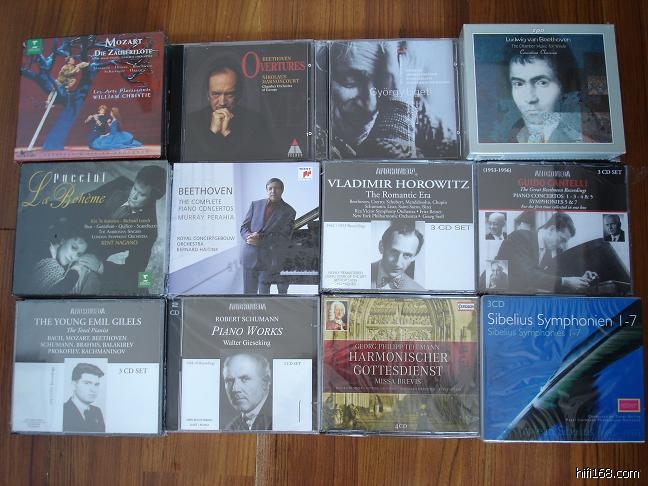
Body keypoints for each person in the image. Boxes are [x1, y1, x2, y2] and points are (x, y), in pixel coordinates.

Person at [329, 40, 419, 158]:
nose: (370, 106)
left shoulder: (430, 133)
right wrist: (397, 114)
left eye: (384, 87)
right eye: (351, 80)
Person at [85, 165, 167, 292]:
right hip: (77, 239)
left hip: (96, 268)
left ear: (152, 199)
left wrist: (101, 267)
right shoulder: (120, 184)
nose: (133, 196)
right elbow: (84, 202)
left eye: (142, 194)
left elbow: (138, 273)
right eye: (135, 188)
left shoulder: (149, 231)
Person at [505, 45, 602, 143]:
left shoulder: (585, 133)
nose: (530, 98)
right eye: (519, 84)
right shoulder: (516, 133)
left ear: (564, 86)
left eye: (542, 83)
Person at [184, 58, 275, 160]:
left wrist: (227, 132)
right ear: (207, 95)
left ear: (238, 94)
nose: (222, 102)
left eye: (229, 94)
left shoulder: (256, 121)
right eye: (216, 94)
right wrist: (212, 132)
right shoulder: (191, 122)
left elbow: (260, 158)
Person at [495, 212, 598, 292]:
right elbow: (527, 275)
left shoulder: (547, 252)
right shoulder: (519, 237)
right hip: (498, 292)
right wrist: (566, 282)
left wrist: (580, 280)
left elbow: (547, 278)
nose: (562, 246)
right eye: (562, 240)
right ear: (552, 229)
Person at [240, 178, 296, 294]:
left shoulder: (289, 211)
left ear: (282, 190)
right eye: (270, 188)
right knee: (248, 294)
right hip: (249, 256)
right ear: (267, 190)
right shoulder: (255, 205)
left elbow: (284, 237)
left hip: (269, 261)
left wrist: (260, 240)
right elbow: (244, 227)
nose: (273, 191)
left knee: (264, 296)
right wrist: (248, 237)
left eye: (276, 188)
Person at [31, 233, 101, 294]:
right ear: (63, 241)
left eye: (78, 255)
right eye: (73, 247)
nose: (73, 257)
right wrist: (74, 274)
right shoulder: (43, 248)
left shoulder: (65, 269)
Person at [222, 353, 272, 431]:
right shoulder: (231, 427)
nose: (235, 389)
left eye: (244, 379)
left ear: (265, 382)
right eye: (229, 381)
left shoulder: (280, 418)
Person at [371, 221, 424, 290]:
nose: (398, 263)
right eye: (394, 252)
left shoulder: (419, 290)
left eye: (407, 255)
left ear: (414, 257)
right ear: (381, 247)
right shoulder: (364, 271)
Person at [63, 362, 105, 433]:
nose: (93, 389)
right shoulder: (62, 411)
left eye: (96, 384)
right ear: (74, 385)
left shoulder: (97, 411)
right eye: (87, 383)